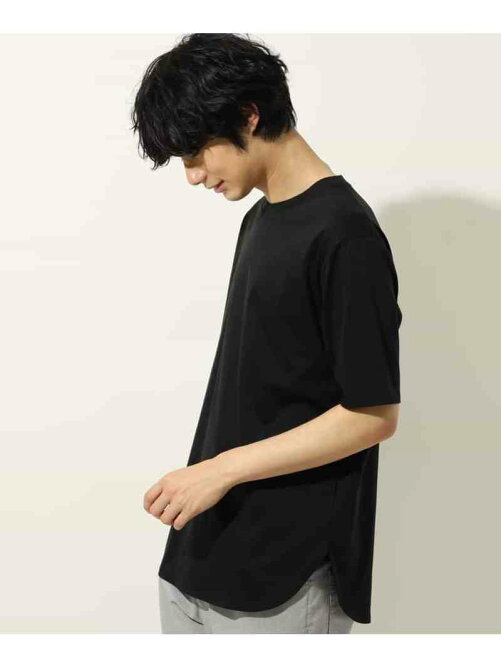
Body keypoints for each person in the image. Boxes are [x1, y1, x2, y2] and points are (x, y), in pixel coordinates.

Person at [131, 33, 402, 634]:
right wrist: (207, 480)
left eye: (196, 152)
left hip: (284, 579)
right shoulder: (259, 218)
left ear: (249, 115)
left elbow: (372, 414)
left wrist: (219, 470)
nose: (192, 176)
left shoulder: (346, 235)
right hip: (202, 556)